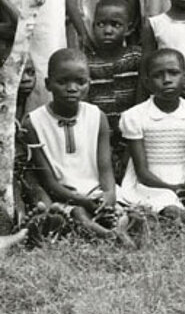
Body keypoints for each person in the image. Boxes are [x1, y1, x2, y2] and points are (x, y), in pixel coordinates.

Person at [20, 50, 131, 243]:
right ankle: (107, 235)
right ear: (48, 84)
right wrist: (82, 201)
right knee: (77, 213)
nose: (72, 88)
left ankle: (115, 226)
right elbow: (49, 182)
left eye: (80, 82)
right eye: (62, 82)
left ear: (89, 83)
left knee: (125, 212)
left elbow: (105, 169)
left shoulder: (97, 116)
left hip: (96, 191)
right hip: (64, 195)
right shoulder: (33, 123)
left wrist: (108, 197)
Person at [117, 49, 185, 226]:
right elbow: (142, 172)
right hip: (151, 183)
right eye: (158, 75)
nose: (167, 80)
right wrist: (172, 189)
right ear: (147, 83)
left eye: (174, 73)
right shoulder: (135, 116)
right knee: (169, 207)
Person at [83, 0, 143, 181]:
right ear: (93, 26)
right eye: (101, 24)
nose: (107, 30)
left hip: (132, 135)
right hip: (99, 137)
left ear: (129, 28)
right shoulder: (86, 62)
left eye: (115, 24)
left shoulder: (135, 57)